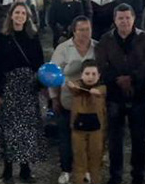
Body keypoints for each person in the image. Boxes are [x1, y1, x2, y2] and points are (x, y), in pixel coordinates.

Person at [95, 3, 145, 184]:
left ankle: (138, 175)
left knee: (138, 139)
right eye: (121, 18)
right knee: (115, 139)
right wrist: (117, 80)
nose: (124, 21)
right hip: (114, 97)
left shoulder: (143, 38)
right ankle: (116, 176)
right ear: (115, 20)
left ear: (134, 18)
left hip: (138, 96)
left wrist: (132, 79)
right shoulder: (105, 40)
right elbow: (102, 65)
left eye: (128, 17)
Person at [0, 2, 46, 183]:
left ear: (27, 17)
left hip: (28, 88)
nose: (20, 15)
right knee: (8, 129)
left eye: (23, 13)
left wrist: (40, 87)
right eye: (17, 12)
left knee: (27, 130)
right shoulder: (2, 38)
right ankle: (7, 169)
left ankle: (25, 169)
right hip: (8, 87)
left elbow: (39, 64)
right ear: (11, 15)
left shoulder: (33, 37)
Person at [51, 17, 98, 184]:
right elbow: (53, 74)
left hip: (89, 103)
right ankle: (65, 169)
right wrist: (54, 98)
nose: (85, 33)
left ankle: (85, 169)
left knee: (87, 137)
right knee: (65, 137)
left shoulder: (97, 47)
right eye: (81, 30)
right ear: (74, 31)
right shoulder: (63, 49)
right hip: (67, 100)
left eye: (88, 29)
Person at [68, 59, 107, 184]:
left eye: (94, 74)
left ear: (99, 76)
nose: (90, 77)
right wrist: (73, 85)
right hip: (78, 129)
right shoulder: (77, 87)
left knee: (95, 159)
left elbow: (102, 91)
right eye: (87, 73)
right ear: (81, 75)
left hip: (96, 130)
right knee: (79, 158)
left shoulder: (102, 87)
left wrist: (97, 91)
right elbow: (73, 88)